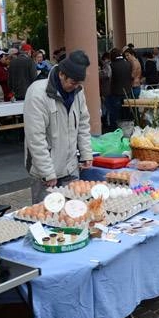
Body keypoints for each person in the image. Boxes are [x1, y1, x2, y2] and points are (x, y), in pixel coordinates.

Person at [24, 51, 93, 203]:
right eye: (73, 82)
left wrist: (86, 153)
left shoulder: (77, 91)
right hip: (46, 171)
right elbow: (35, 137)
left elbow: (83, 123)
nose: (75, 87)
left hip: (70, 166)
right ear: (62, 74)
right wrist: (47, 172)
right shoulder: (37, 93)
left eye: (78, 84)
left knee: (75, 213)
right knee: (47, 216)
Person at [107, 48, 131, 128]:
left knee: (115, 115)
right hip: (127, 93)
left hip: (115, 93)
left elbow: (108, 77)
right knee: (126, 114)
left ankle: (115, 131)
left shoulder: (111, 65)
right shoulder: (128, 64)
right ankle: (126, 130)